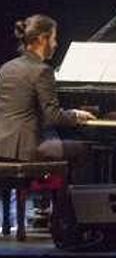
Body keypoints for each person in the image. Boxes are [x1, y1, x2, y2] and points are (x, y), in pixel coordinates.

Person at [0, 14, 94, 164]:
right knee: (83, 148)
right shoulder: (42, 70)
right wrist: (76, 115)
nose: (56, 44)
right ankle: (59, 188)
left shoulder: (6, 67)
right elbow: (53, 116)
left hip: (2, 145)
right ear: (43, 39)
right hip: (28, 148)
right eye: (53, 38)